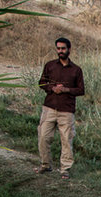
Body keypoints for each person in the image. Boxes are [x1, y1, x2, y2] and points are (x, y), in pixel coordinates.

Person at [36, 37, 85, 179]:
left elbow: (81, 90)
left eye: (63, 48)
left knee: (66, 140)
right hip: (49, 107)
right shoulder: (50, 66)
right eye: (58, 48)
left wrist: (65, 90)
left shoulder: (76, 70)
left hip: (66, 110)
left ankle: (65, 169)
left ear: (69, 49)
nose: (60, 51)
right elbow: (41, 83)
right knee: (43, 137)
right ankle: (45, 165)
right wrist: (52, 88)